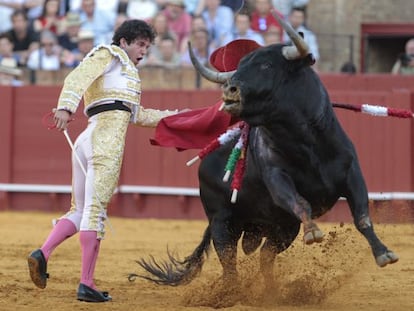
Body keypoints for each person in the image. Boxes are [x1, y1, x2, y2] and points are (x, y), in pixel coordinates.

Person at [27, 19, 182, 303]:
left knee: (81, 209)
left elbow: (139, 116)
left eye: (147, 46)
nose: (144, 51)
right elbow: (78, 76)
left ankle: (42, 252)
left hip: (89, 139)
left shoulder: (126, 75)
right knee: (94, 213)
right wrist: (65, 106)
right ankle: (86, 283)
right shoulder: (109, 54)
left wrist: (179, 117)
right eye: (140, 44)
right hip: (104, 143)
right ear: (123, 42)